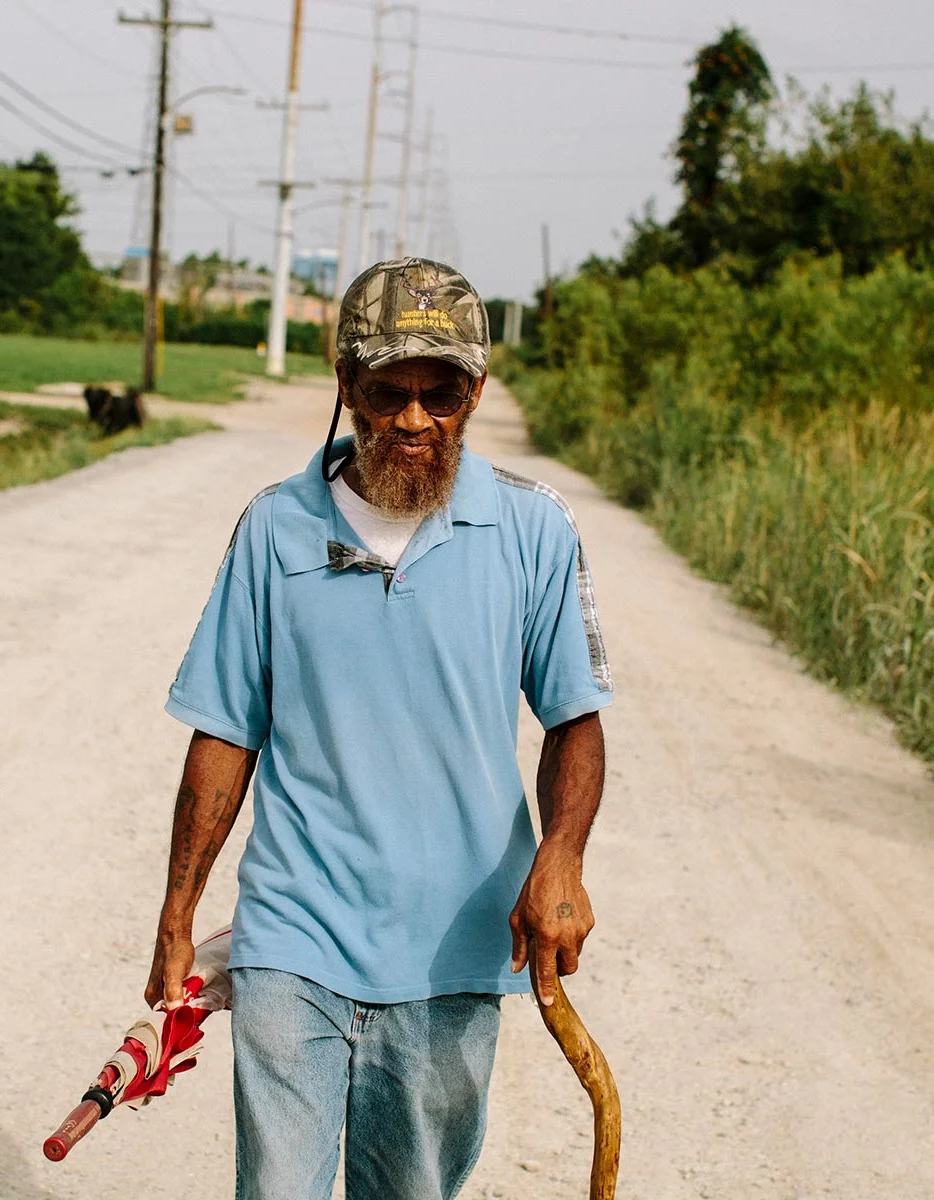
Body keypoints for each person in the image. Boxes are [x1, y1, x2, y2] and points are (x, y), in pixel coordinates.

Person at [147, 257, 612, 1199]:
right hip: (294, 931)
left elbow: (575, 722)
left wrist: (560, 855)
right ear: (346, 385)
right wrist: (176, 912)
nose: (410, 419)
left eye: (438, 394)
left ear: (474, 392)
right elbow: (225, 734)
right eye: (386, 391)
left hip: (456, 944)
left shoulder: (533, 530)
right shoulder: (275, 529)